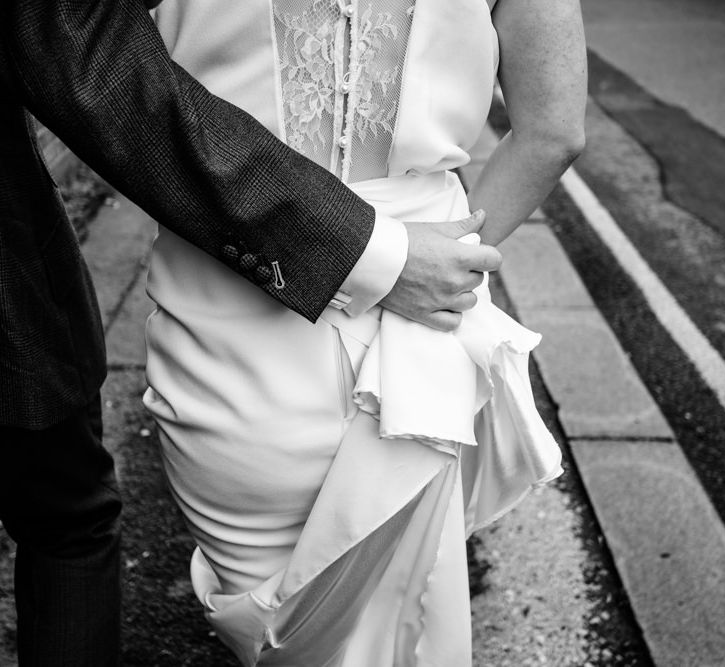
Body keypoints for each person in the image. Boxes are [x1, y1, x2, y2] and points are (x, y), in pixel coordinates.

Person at [0, 0, 502, 664]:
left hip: (236, 342)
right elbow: (554, 130)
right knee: (68, 524)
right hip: (392, 320)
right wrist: (436, 261)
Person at [143, 0, 587, 664]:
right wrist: (453, 262)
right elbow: (552, 131)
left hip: (226, 311)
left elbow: (107, 81)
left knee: (281, 633)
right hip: (418, 330)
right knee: (409, 616)